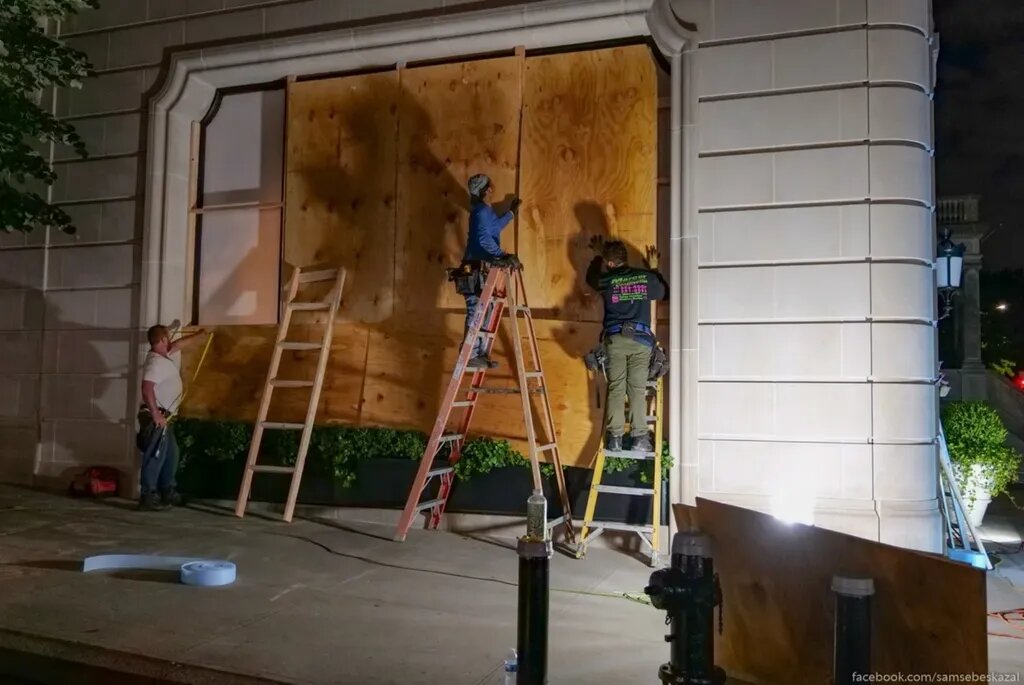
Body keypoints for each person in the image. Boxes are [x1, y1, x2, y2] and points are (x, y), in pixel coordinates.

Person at [586, 238, 668, 452]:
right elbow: (663, 293)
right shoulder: (645, 278)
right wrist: (654, 269)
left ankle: (614, 439)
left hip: (615, 341)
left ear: (610, 263)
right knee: (637, 389)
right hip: (641, 342)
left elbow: (591, 278)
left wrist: (597, 256)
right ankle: (639, 438)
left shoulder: (607, 279)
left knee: (616, 388)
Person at [136, 323, 208, 510]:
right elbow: (147, 388)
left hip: (166, 417)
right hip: (158, 417)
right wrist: (155, 414)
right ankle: (148, 495)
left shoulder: (163, 356)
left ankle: (167, 491)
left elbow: (178, 345)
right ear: (162, 340)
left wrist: (199, 336)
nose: (170, 341)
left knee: (171, 454)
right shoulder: (155, 362)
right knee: (155, 455)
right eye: (167, 337)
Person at [461, 173, 522, 369]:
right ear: (487, 189)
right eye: (490, 185)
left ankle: (478, 353)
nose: (493, 188)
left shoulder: (485, 211)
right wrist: (502, 255)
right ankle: (470, 354)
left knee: (484, 309)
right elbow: (484, 239)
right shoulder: (480, 212)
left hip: (479, 267)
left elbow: (494, 228)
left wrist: (511, 213)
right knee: (475, 309)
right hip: (472, 267)